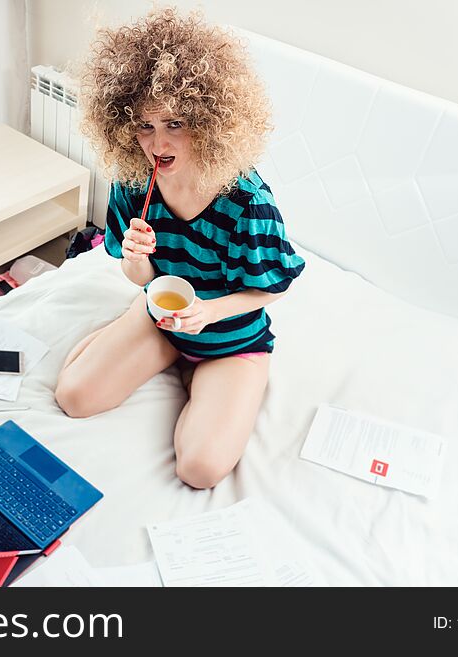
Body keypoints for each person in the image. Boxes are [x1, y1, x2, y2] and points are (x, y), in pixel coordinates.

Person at [55, 7, 306, 489]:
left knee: (200, 470)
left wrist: (208, 316)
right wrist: (135, 261)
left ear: (210, 122)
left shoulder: (246, 204)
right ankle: (148, 344)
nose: (156, 143)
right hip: (160, 319)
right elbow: (143, 281)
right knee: (74, 397)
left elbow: (270, 289)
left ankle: (205, 380)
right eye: (144, 126)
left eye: (174, 124)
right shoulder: (135, 186)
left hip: (229, 341)